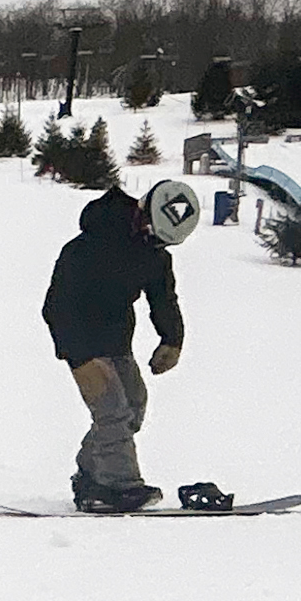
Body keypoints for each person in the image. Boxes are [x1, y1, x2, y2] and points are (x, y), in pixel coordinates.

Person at [41, 181, 190, 512]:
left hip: (117, 339)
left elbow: (163, 298)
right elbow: (55, 307)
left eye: (163, 241)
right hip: (80, 340)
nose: (154, 243)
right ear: (142, 212)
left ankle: (91, 476)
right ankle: (120, 485)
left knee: (133, 405)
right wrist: (79, 357)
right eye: (152, 234)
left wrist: (172, 339)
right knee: (111, 410)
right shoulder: (84, 249)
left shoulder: (154, 255)